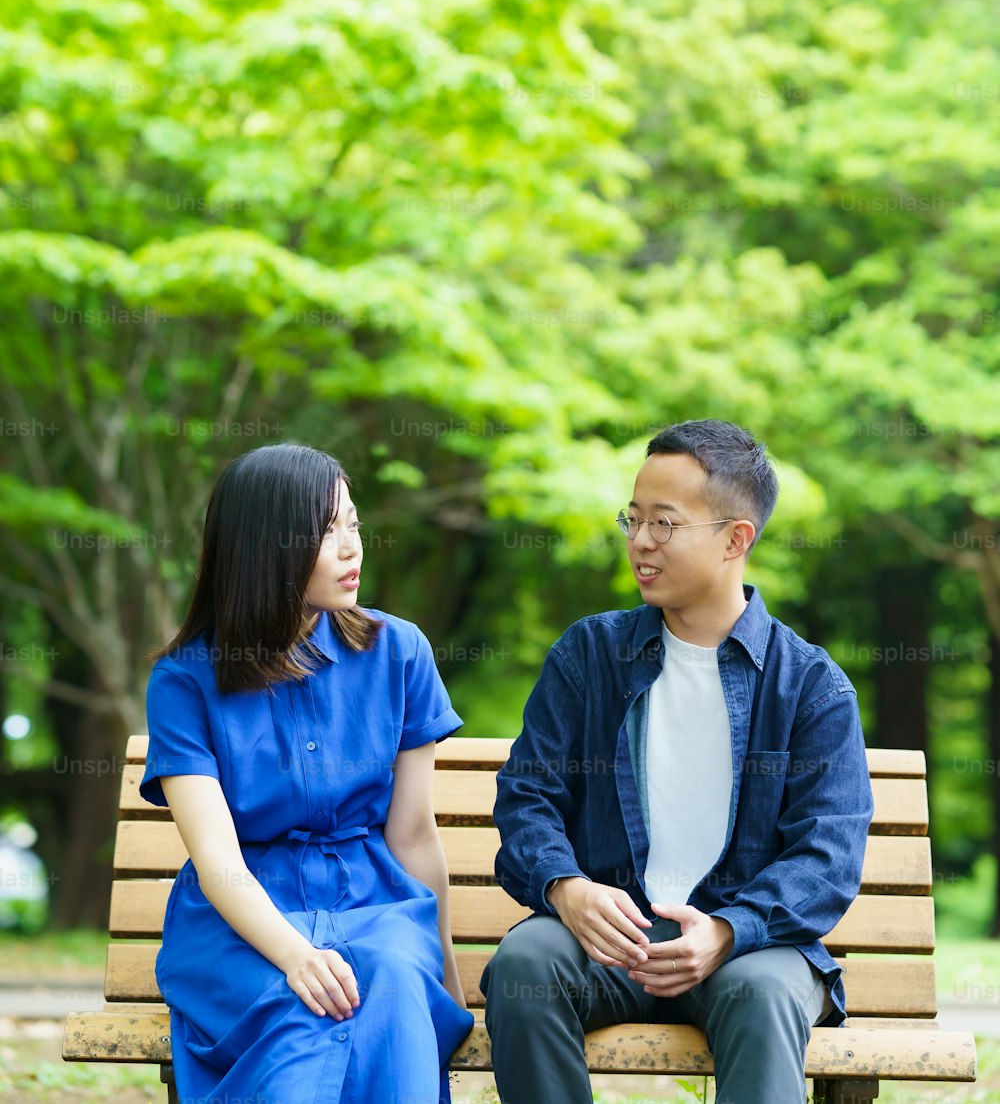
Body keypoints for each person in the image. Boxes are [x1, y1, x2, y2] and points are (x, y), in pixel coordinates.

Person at [482, 419, 875, 1104]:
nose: (639, 542)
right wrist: (567, 889)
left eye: (664, 524)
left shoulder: (811, 685)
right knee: (527, 960)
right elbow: (527, 798)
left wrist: (728, 930)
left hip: (747, 951)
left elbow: (827, 856)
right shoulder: (588, 657)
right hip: (609, 947)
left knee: (762, 993)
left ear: (735, 539)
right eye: (632, 519)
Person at [139, 442, 474, 1104]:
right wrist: (295, 953)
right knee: (303, 1007)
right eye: (327, 531)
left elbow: (412, 834)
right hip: (242, 916)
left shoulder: (397, 650)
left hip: (373, 901)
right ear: (265, 547)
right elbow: (216, 860)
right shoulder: (184, 680)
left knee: (392, 984)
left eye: (353, 523)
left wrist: (446, 973)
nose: (352, 547)